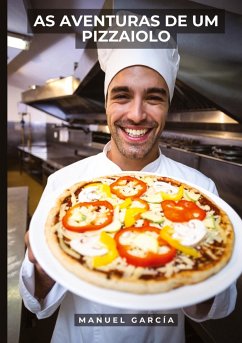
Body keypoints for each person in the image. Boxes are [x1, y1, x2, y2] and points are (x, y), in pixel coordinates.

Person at [19, 44, 237, 343]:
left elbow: (216, 305)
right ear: (106, 103)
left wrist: (190, 271)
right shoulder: (64, 185)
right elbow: (34, 301)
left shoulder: (200, 191)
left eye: (153, 98)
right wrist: (43, 268)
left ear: (168, 106)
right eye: (122, 96)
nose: (136, 114)